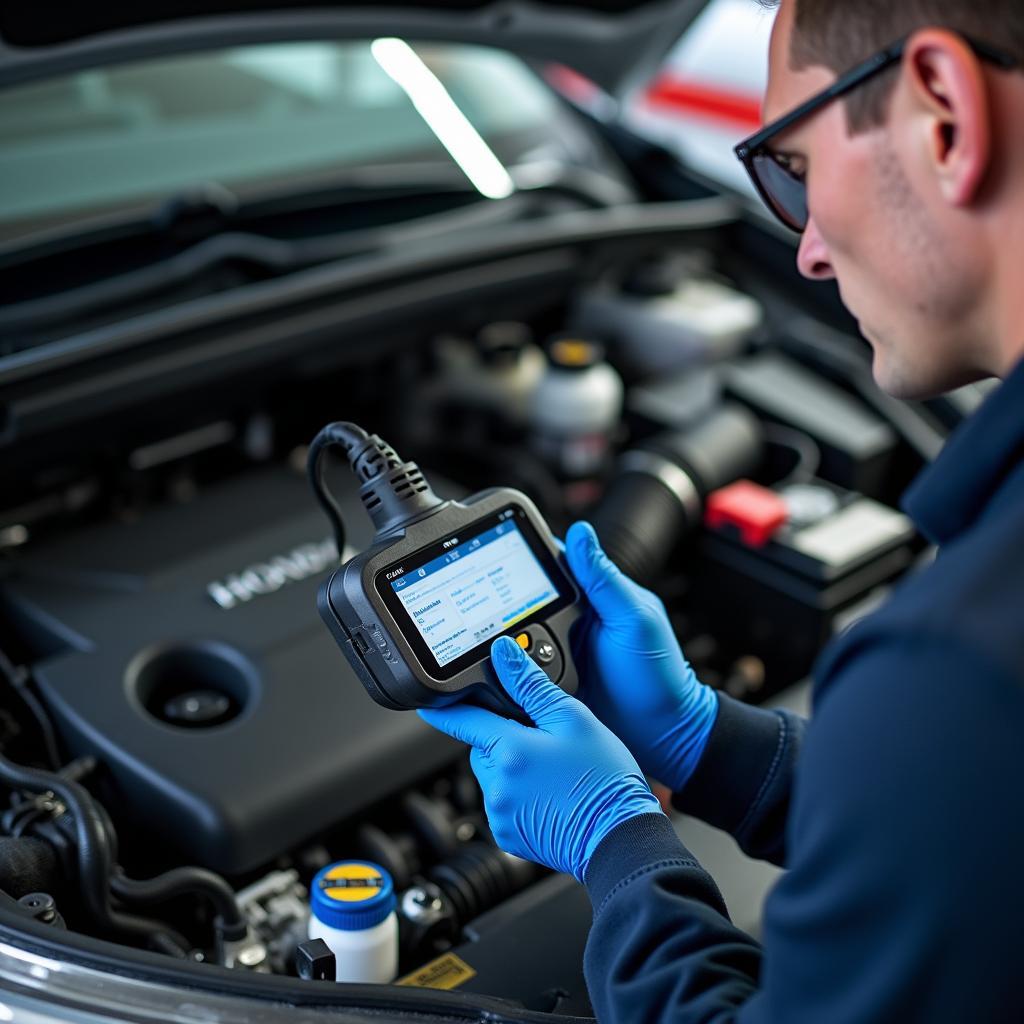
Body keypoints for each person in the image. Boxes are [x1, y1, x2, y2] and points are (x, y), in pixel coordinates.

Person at [417, 0, 1024, 1019]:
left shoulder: (957, 670)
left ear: (943, 117)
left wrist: (615, 842)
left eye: (792, 168)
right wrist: (709, 744)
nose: (808, 254)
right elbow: (976, 824)